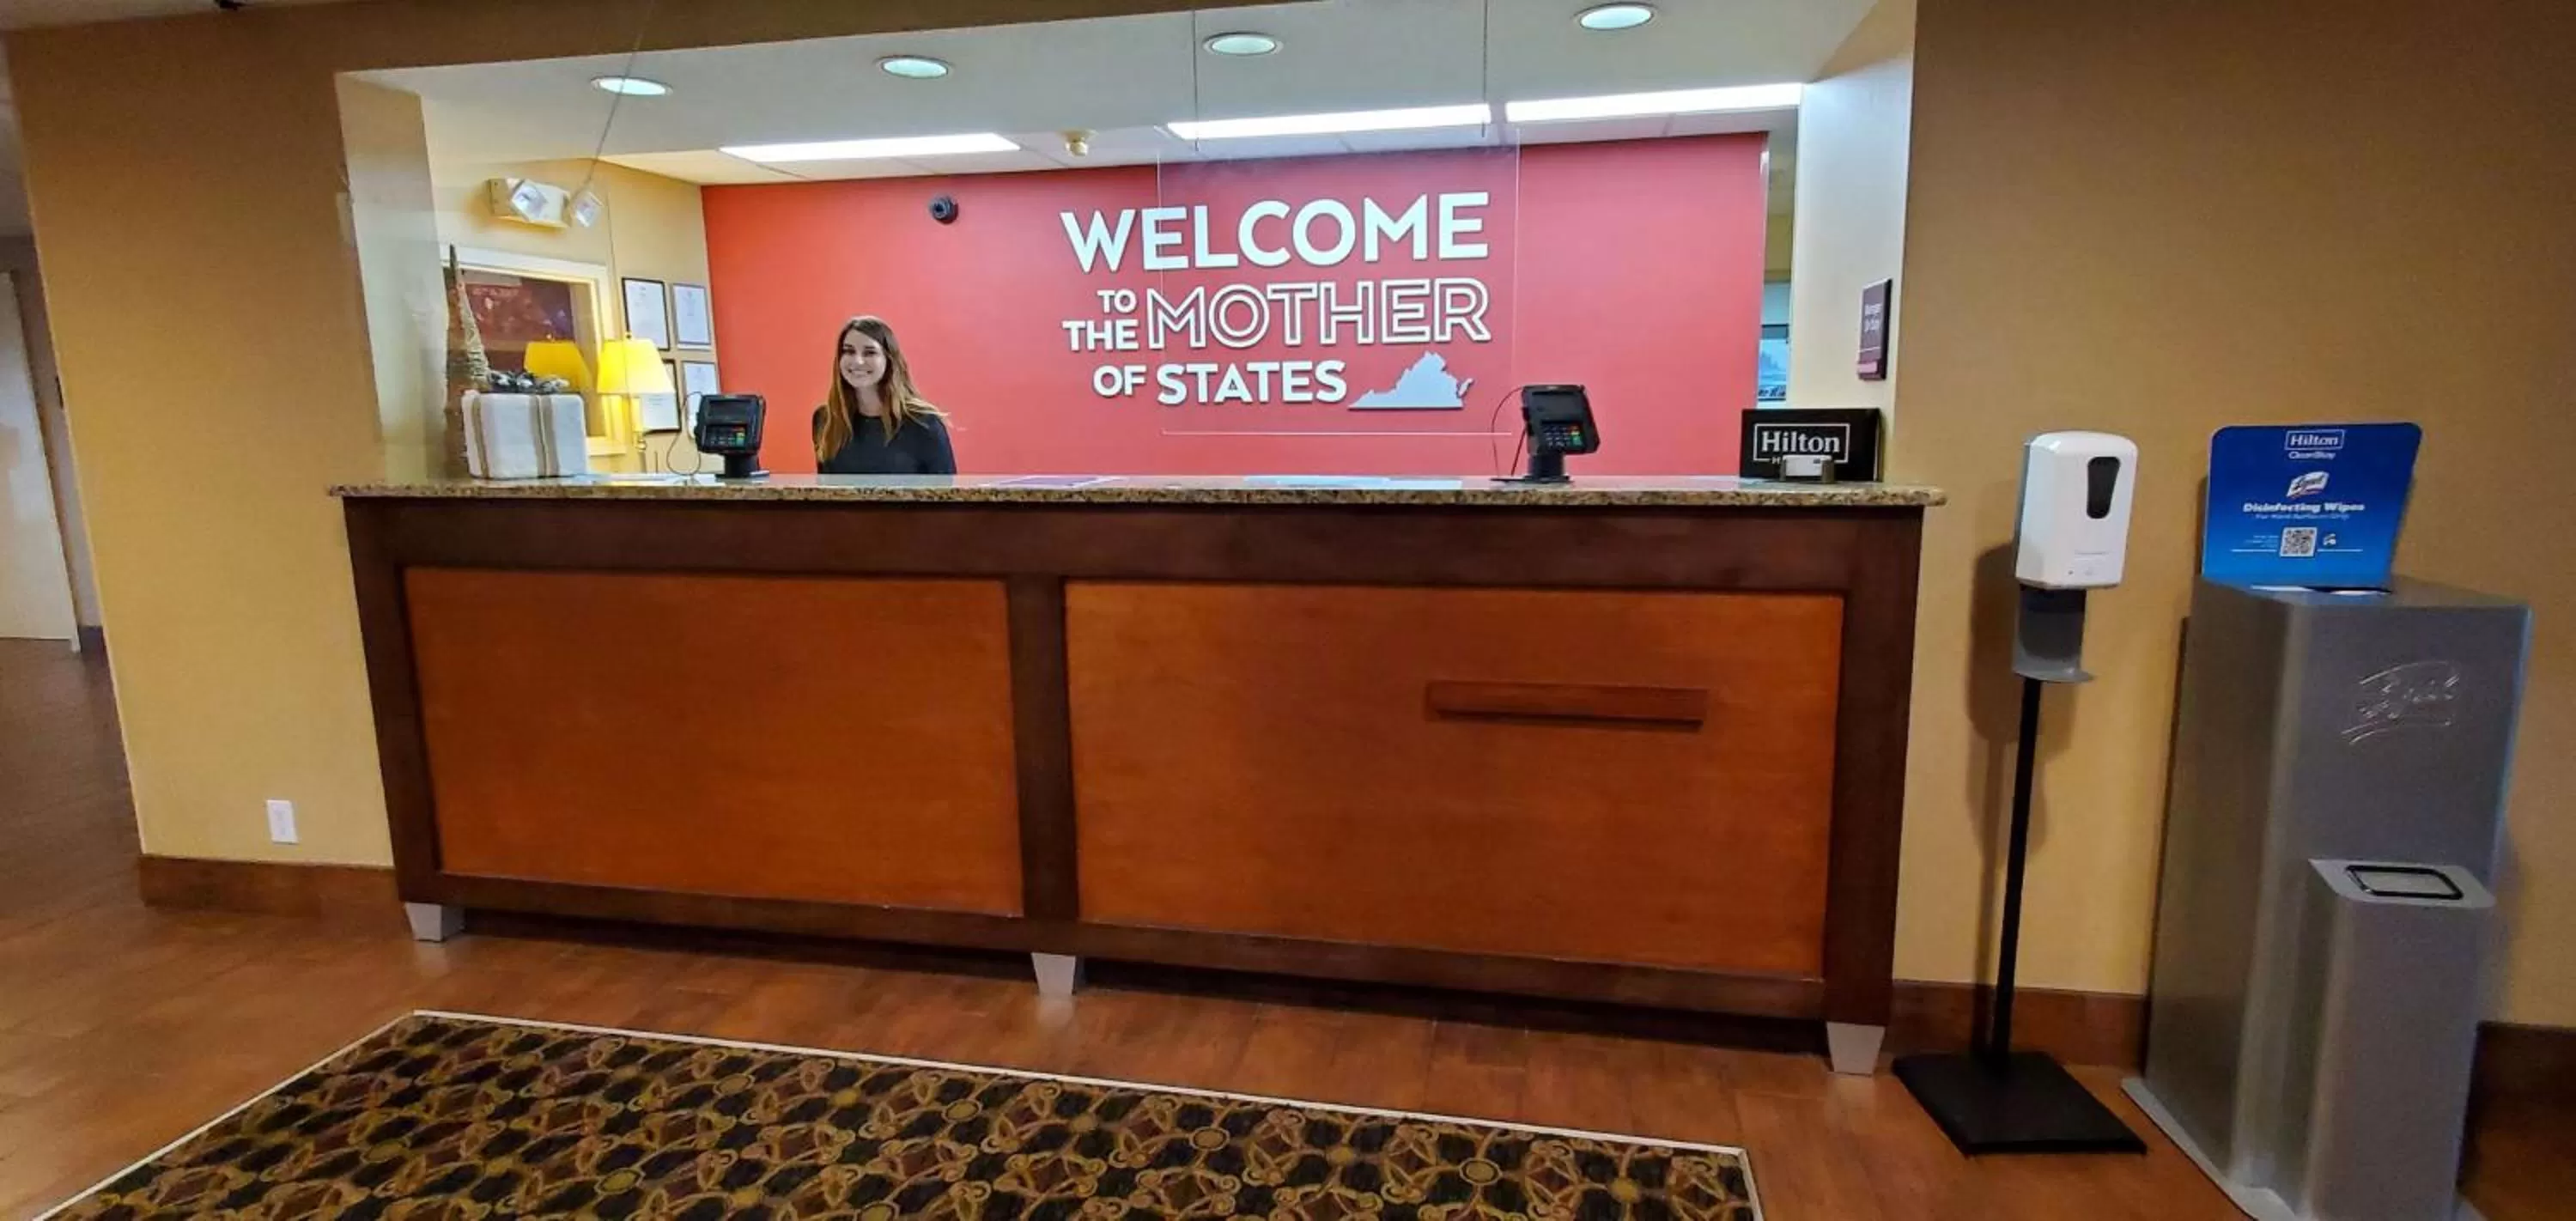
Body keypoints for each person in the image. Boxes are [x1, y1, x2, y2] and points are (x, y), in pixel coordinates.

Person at [814, 315, 956, 474]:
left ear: (889, 360)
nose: (858, 361)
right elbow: (825, 491)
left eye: (870, 352)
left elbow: (947, 495)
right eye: (849, 351)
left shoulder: (924, 424)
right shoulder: (826, 419)